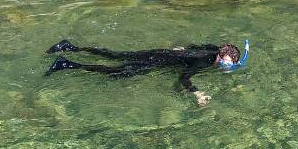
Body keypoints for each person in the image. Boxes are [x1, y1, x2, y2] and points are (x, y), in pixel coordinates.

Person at [45, 39, 248, 106]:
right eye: (226, 64)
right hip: (157, 60)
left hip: (161, 53)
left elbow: (196, 45)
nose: (227, 68)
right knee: (118, 71)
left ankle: (71, 47)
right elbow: (184, 77)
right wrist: (197, 92)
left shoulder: (214, 49)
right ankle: (67, 64)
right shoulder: (204, 62)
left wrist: (181, 49)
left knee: (117, 55)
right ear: (220, 57)